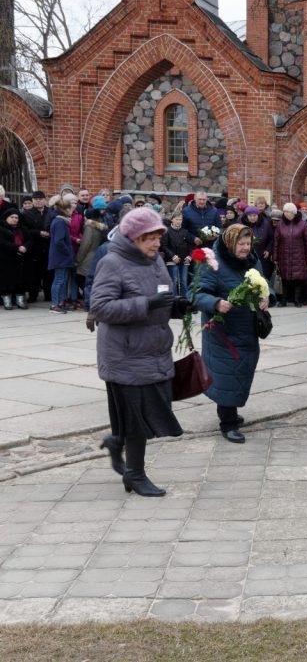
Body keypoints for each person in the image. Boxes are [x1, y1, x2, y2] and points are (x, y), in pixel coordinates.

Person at [90, 208, 186, 497]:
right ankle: (135, 474)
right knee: (136, 418)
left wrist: (177, 306)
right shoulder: (112, 262)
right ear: (133, 238)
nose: (157, 244)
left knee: (144, 412)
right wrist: (147, 303)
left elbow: (161, 297)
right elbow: (100, 307)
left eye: (158, 237)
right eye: (150, 239)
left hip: (154, 349)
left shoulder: (155, 261)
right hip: (125, 354)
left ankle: (116, 442)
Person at [195, 223, 269, 444]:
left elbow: (263, 284)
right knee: (227, 372)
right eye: (241, 243)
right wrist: (216, 303)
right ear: (230, 242)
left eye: (248, 243)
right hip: (222, 331)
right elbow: (196, 292)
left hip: (247, 329)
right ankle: (227, 423)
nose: (246, 248)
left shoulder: (252, 261)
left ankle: (230, 413)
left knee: (242, 371)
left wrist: (268, 296)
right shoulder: (213, 263)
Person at [272, 202, 307, 306]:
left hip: (299, 256)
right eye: (284, 211)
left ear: (294, 212)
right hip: (283, 256)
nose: (286, 213)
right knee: (284, 279)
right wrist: (275, 256)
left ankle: (297, 300)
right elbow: (276, 242)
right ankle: (283, 300)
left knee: (298, 279)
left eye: (288, 211)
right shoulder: (280, 224)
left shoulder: (303, 224)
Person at [48, 196, 78, 313]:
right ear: (65, 210)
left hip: (61, 257)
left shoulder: (60, 221)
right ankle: (55, 304)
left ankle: (60, 302)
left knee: (62, 280)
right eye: (70, 209)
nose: (72, 211)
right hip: (61, 257)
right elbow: (59, 241)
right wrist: (68, 252)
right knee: (59, 280)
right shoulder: (60, 222)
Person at [0, 208, 31, 309]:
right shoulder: (2, 229)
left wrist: (25, 247)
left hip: (21, 258)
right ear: (6, 218)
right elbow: (3, 243)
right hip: (6, 258)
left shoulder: (23, 229)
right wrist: (17, 247)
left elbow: (30, 240)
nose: (14, 219)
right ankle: (7, 298)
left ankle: (20, 298)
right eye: (12, 217)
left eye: (16, 217)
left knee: (21, 279)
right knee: (6, 280)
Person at [160, 211, 193, 296]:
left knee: (184, 281)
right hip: (172, 260)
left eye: (180, 219)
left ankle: (184, 300)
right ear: (172, 220)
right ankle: (174, 300)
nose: (179, 221)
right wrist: (173, 256)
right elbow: (164, 246)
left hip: (185, 260)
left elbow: (190, 245)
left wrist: (189, 256)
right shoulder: (167, 231)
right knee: (174, 281)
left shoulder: (185, 232)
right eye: (177, 219)